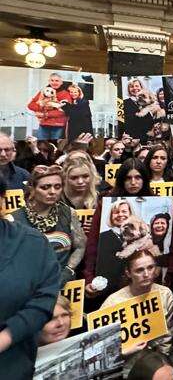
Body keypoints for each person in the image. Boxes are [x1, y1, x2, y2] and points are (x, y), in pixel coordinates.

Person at [0, 174, 61, 379]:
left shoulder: (32, 244)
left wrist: (7, 336)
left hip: (13, 363)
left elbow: (43, 300)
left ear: (2, 199)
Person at [85, 159, 153, 299]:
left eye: (138, 177)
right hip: (110, 285)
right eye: (128, 178)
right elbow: (92, 246)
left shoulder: (154, 201)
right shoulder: (104, 205)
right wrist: (89, 278)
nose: (133, 182)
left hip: (144, 284)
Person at [101, 250, 173, 374]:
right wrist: (123, 352)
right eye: (139, 270)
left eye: (150, 267)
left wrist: (163, 364)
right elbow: (102, 348)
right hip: (124, 368)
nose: (146, 274)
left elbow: (167, 335)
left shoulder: (164, 294)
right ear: (128, 273)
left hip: (156, 366)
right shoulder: (113, 302)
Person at [11, 165, 85, 285]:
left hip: (63, 283)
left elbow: (80, 246)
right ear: (32, 189)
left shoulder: (68, 212)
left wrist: (69, 269)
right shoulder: (13, 220)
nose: (52, 192)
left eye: (57, 187)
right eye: (45, 187)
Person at [27, 72, 72, 140]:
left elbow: (64, 111)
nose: (54, 82)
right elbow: (30, 105)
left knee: (56, 144)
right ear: (49, 81)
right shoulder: (43, 92)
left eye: (57, 81)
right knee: (41, 144)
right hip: (44, 124)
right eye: (52, 80)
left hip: (58, 125)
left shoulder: (65, 94)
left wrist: (45, 114)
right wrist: (42, 106)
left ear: (61, 82)